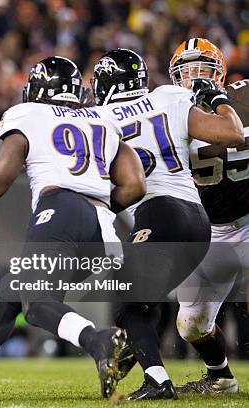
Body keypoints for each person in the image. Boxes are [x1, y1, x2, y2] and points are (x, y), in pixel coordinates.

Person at [0, 56, 147, 399]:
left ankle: (99, 340)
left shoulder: (28, 115)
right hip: (103, 230)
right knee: (12, 291)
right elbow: (135, 185)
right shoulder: (101, 118)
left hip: (60, 209)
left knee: (37, 302)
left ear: (39, 89)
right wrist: (95, 206)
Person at [90, 47, 244, 399]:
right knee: (148, 300)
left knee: (126, 300)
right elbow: (233, 133)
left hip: (160, 213)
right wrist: (218, 99)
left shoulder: (98, 119)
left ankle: (157, 380)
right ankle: (145, 351)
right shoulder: (169, 97)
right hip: (200, 222)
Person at [169, 38, 249, 395]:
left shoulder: (245, 97)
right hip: (211, 231)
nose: (194, 78)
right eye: (185, 72)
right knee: (190, 324)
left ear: (221, 72)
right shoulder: (170, 112)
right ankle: (221, 378)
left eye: (202, 69)